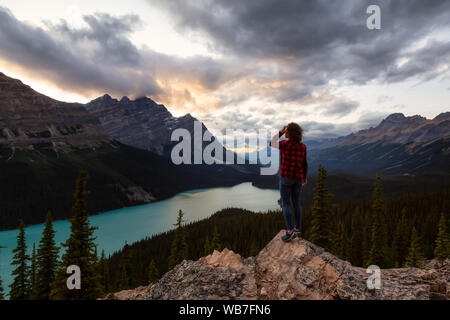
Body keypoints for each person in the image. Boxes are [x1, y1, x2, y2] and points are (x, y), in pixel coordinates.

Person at [270, 122, 308, 242]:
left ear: (289, 133)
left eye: (286, 131)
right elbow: (304, 163)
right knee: (296, 203)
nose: (285, 132)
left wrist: (280, 132)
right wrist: (304, 178)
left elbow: (271, 143)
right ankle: (297, 230)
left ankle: (290, 231)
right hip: (297, 179)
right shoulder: (303, 147)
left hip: (286, 178)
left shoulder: (285, 144)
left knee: (286, 203)